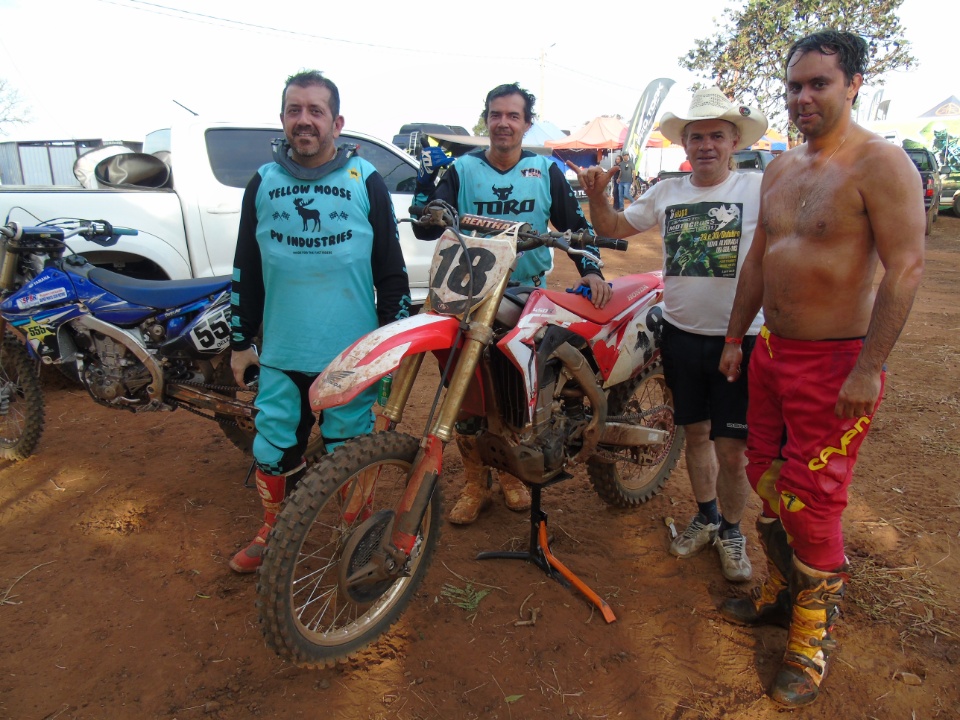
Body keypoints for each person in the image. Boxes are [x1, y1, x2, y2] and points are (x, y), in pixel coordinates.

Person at [717, 31, 924, 708]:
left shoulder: (881, 164)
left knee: (814, 496)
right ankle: (783, 590)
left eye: (818, 84)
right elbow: (758, 260)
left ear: (854, 83)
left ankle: (811, 633)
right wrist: (735, 336)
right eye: (793, 87)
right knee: (763, 475)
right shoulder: (780, 168)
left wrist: (870, 367)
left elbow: (906, 269)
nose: (802, 98)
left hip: (837, 364)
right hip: (773, 354)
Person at [569, 86, 769, 584]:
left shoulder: (759, 190)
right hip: (680, 334)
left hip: (738, 340)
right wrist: (596, 197)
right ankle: (705, 516)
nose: (706, 145)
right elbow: (613, 225)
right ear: (684, 144)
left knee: (733, 448)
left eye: (716, 136)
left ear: (733, 141)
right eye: (696, 136)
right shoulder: (668, 192)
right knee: (696, 434)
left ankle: (731, 530)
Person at [228, 70, 411, 573]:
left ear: (337, 122)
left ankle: (356, 536)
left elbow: (391, 275)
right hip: (284, 352)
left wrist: (388, 351)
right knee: (272, 445)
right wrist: (241, 341)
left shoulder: (364, 181)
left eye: (315, 110)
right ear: (283, 118)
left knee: (349, 450)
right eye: (294, 109)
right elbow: (247, 266)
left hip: (349, 354)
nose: (303, 120)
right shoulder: (262, 183)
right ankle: (273, 527)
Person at [413, 82, 612, 525]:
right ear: (487, 120)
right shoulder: (461, 170)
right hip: (467, 294)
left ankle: (510, 477)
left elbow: (576, 227)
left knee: (515, 390)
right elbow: (425, 226)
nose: (503, 123)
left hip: (526, 296)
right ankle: (473, 483)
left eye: (513, 115)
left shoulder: (545, 170)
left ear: (526, 123)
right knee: (465, 394)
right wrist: (428, 183)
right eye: (496, 114)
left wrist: (592, 271)